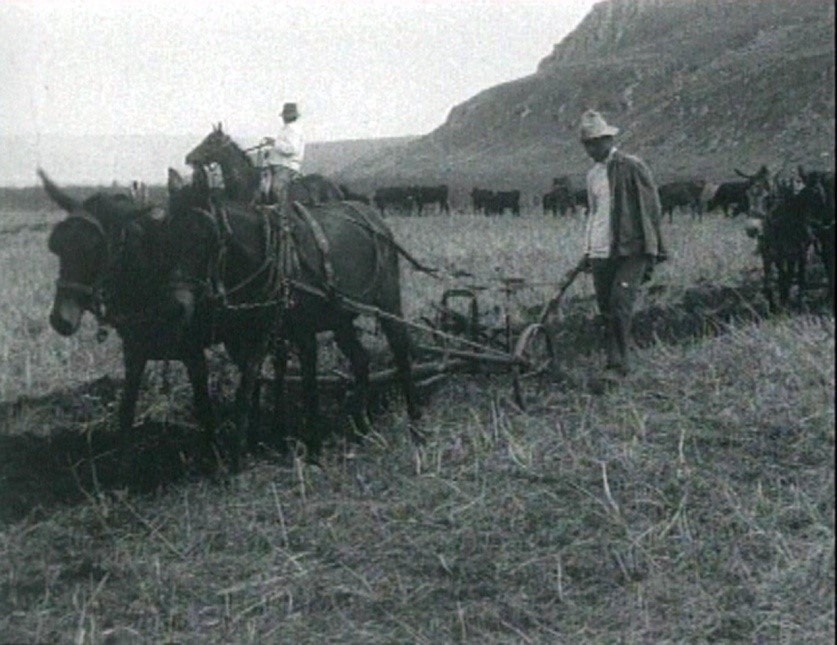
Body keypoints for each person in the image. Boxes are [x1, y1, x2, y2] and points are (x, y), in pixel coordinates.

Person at [579, 109, 666, 378]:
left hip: (631, 248)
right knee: (606, 308)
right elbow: (593, 213)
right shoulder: (592, 176)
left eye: (596, 142)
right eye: (587, 144)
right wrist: (587, 249)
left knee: (620, 304)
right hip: (600, 250)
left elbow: (652, 208)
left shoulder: (632, 166)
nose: (592, 148)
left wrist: (650, 246)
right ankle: (612, 357)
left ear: (608, 139)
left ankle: (620, 364)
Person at [260, 102, 305, 206]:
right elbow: (281, 147)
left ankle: (283, 217)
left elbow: (291, 149)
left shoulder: (293, 129)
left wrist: (274, 143)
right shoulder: (286, 129)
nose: (283, 118)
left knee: (277, 188)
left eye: (285, 115)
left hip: (287, 166)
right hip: (278, 165)